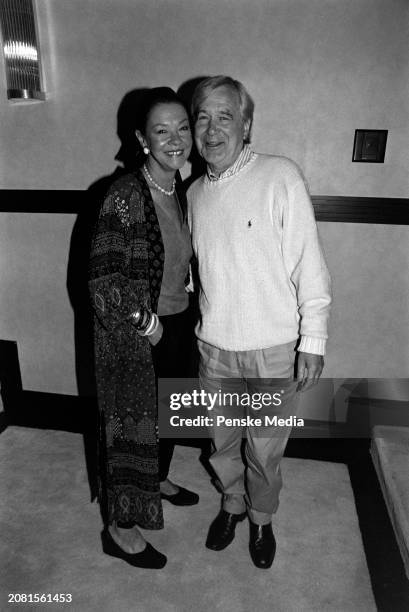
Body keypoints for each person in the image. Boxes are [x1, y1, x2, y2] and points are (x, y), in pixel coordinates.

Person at [187, 76, 331, 569]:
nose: (211, 128)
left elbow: (308, 261)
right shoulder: (193, 194)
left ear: (246, 125)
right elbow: (201, 269)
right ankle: (231, 505)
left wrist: (313, 337)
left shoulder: (280, 176)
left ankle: (261, 521)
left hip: (273, 346)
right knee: (222, 443)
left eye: (224, 116)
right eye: (202, 116)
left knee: (264, 449)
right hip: (213, 346)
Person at [88, 87, 198, 570]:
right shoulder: (124, 196)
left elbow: (179, 260)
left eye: (183, 128)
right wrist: (148, 326)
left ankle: (158, 478)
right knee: (131, 430)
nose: (175, 139)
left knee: (170, 415)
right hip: (136, 336)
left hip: (179, 322)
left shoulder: (182, 190)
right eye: (162, 130)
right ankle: (121, 530)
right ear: (141, 139)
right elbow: (104, 280)